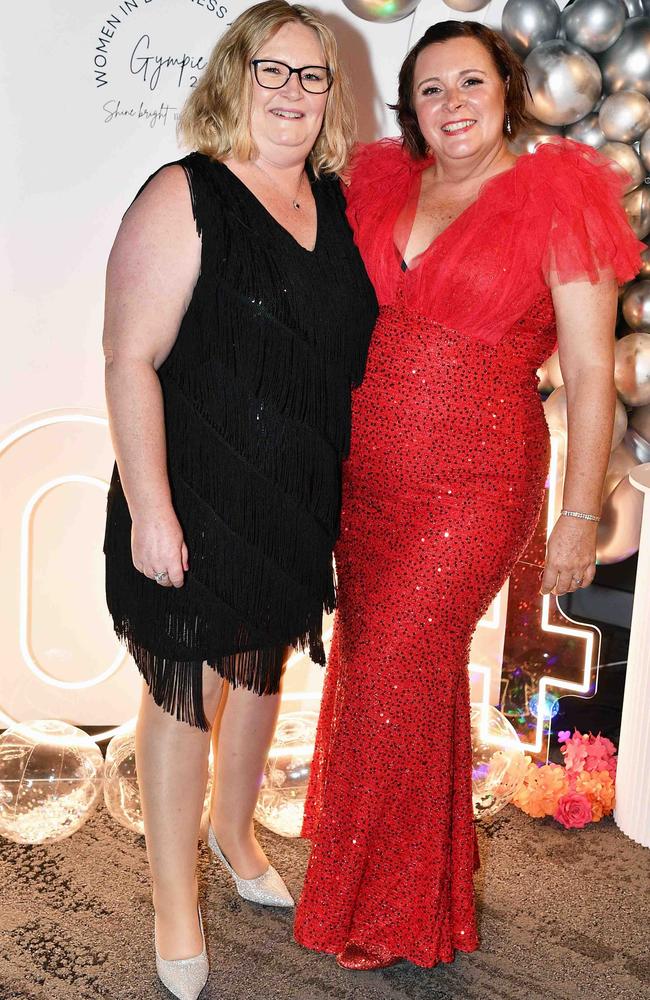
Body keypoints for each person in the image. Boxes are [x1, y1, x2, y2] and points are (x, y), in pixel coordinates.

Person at [294, 20, 644, 971]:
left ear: (508, 89)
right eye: (432, 88)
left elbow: (587, 371)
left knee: (395, 670)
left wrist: (577, 514)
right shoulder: (375, 185)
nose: (451, 104)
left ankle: (374, 903)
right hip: (363, 476)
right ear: (411, 105)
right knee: (388, 674)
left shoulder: (558, 197)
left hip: (478, 478)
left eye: (470, 83)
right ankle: (422, 897)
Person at [102, 1, 377, 996]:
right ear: (234, 75)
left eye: (311, 75)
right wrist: (151, 508)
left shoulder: (337, 203)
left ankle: (230, 833)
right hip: (194, 489)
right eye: (273, 70)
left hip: (296, 494)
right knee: (187, 689)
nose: (293, 92)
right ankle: (175, 899)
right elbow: (128, 356)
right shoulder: (187, 193)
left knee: (259, 673)